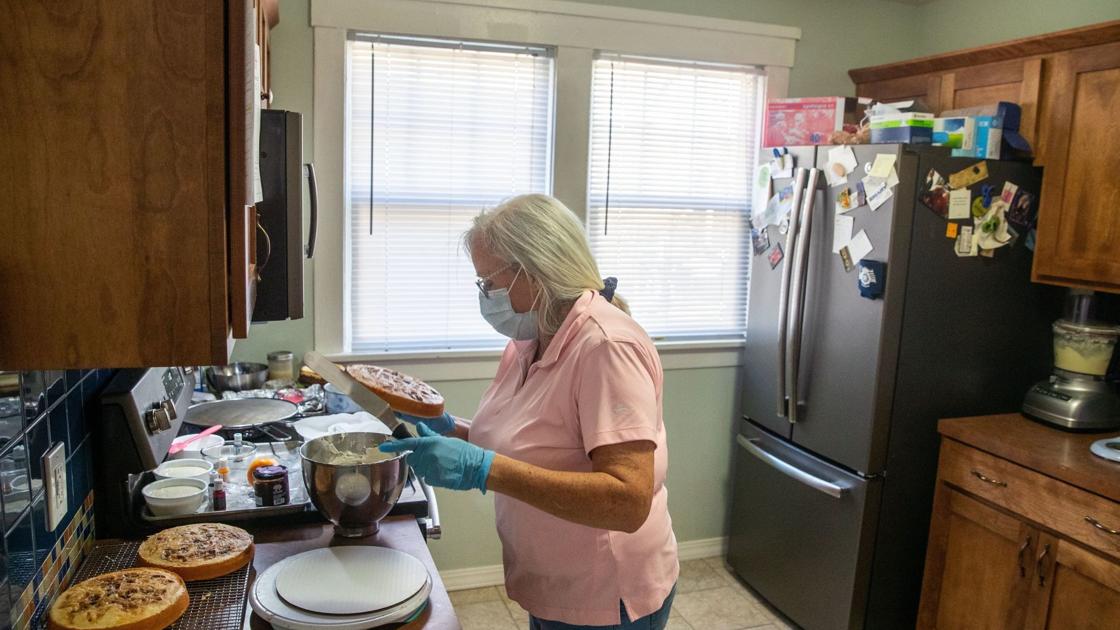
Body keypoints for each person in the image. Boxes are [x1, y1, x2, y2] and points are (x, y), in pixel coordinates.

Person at [379, 194, 679, 629]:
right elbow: (531, 442)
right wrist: (451, 429)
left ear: (536, 271)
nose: (485, 295)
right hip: (554, 582)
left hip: (604, 592)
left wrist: (484, 469)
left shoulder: (606, 347)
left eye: (489, 281)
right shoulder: (531, 340)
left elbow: (627, 501)